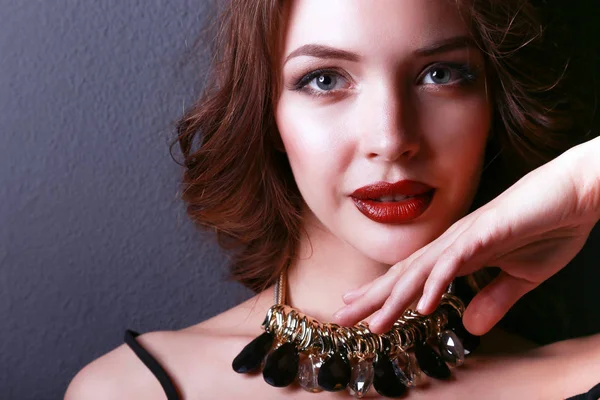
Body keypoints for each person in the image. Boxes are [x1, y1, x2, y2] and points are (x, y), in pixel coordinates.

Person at [65, 0, 600, 398]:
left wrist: (582, 180)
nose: (391, 139)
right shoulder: (132, 389)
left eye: (440, 74)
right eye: (324, 80)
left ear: (494, 105)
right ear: (267, 116)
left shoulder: (583, 375)